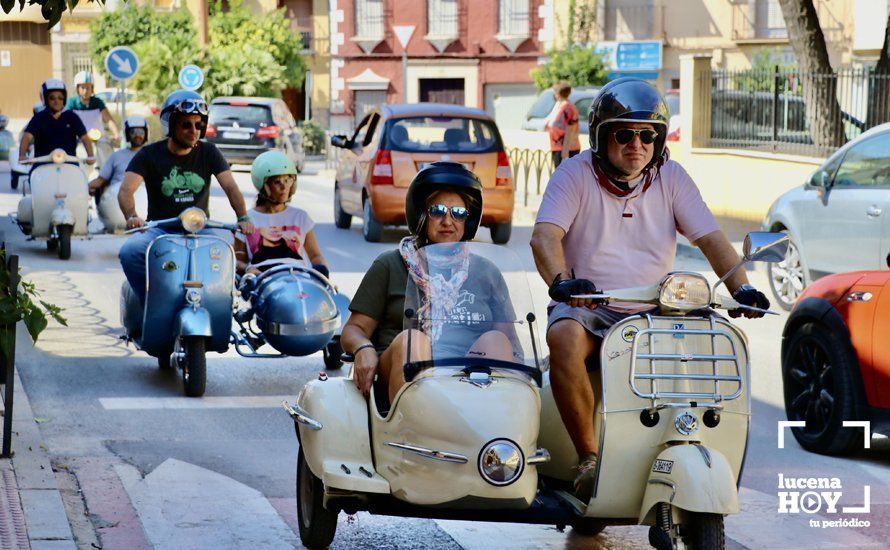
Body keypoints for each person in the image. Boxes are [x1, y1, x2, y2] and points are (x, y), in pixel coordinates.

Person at [529, 78, 770, 502]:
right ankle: (589, 459)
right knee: (562, 336)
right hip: (590, 305)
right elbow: (544, 237)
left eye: (647, 135)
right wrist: (562, 284)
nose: (636, 144)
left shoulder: (671, 178)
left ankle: (691, 445)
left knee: (719, 342)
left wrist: (742, 288)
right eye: (624, 134)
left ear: (659, 140)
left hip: (657, 310)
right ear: (601, 137)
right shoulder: (574, 174)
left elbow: (710, 238)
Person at [342, 162, 515, 403]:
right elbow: (353, 329)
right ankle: (410, 431)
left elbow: (511, 345)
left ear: (469, 220)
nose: (447, 220)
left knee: (497, 341)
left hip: (469, 383)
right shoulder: (390, 265)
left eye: (458, 213)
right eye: (437, 211)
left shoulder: (486, 273)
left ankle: (493, 433)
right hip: (399, 381)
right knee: (413, 340)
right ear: (421, 214)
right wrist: (362, 348)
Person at [118, 89, 255, 305]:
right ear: (170, 125)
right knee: (130, 251)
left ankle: (219, 304)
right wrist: (132, 215)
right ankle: (151, 302)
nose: (193, 130)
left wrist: (243, 217)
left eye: (198, 125)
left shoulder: (209, 152)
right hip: (160, 228)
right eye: (186, 125)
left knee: (227, 251)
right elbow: (126, 190)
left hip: (202, 228)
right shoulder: (149, 154)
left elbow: (230, 186)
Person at [234, 150, 329, 276]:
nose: (284, 187)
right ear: (264, 185)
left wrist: (322, 270)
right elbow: (237, 261)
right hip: (261, 281)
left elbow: (316, 256)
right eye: (277, 182)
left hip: (297, 278)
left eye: (287, 180)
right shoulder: (248, 219)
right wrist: (247, 269)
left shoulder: (300, 217)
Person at [18, 79, 95, 170]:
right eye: (52, 98)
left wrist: (90, 155)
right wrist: (22, 155)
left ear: (64, 99)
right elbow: (27, 136)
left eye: (60, 98)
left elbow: (84, 137)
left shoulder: (72, 117)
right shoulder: (38, 118)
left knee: (81, 182)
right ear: (45, 99)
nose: (57, 101)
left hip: (70, 166)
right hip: (42, 167)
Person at [88, 116, 148, 201]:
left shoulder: (152, 155)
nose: (137, 135)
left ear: (146, 133)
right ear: (127, 134)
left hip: (144, 199)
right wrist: (84, 188)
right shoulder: (116, 156)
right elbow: (100, 180)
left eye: (141, 132)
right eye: (133, 132)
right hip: (115, 199)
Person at [66, 71, 120, 146]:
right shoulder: (72, 103)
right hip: (78, 141)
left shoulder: (97, 102)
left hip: (98, 141)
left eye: (88, 87)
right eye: (82, 87)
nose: (85, 91)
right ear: (77, 88)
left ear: (92, 88)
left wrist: (116, 133)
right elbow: (65, 119)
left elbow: (108, 119)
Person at [545, 81, 581, 169]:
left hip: (566, 149)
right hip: (557, 147)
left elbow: (570, 130)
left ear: (558, 93)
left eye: (555, 92)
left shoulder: (568, 108)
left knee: (564, 178)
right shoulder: (559, 105)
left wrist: (565, 154)